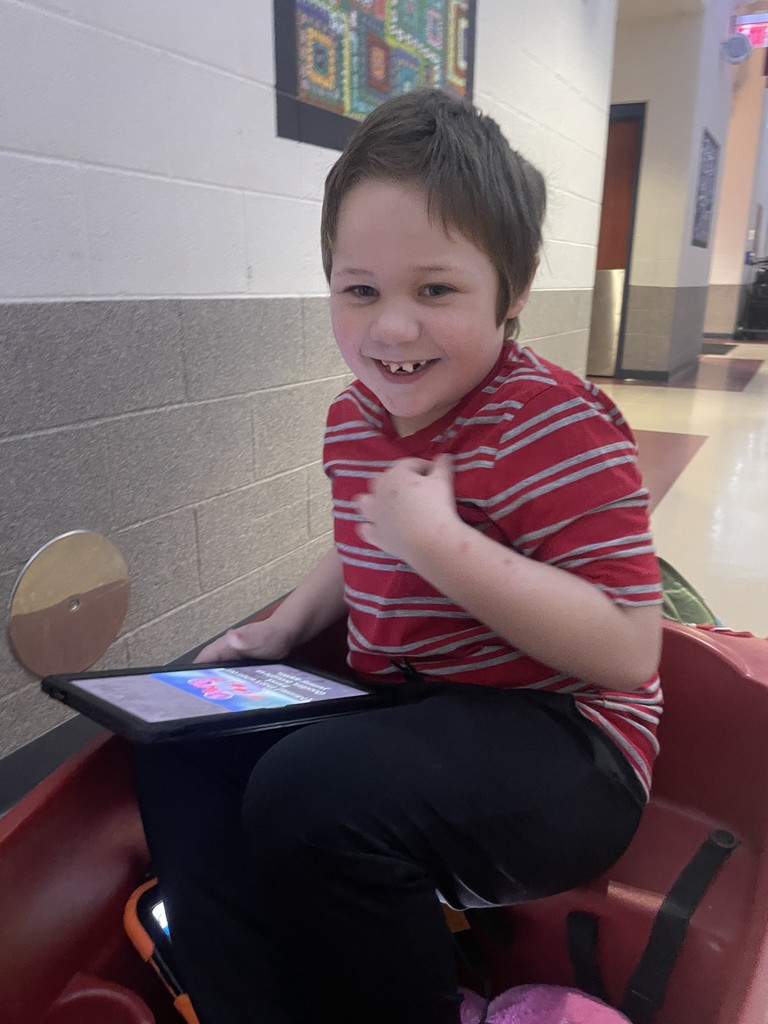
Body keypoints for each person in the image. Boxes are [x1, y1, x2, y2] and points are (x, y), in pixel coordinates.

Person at [134, 89, 663, 1024]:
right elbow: (366, 539)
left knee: (312, 795)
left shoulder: (557, 425)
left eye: (436, 289)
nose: (391, 330)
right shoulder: (355, 415)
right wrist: (282, 626)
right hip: (417, 712)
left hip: (570, 744)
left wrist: (442, 543)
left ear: (517, 286)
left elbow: (628, 652)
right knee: (182, 745)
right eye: (360, 288)